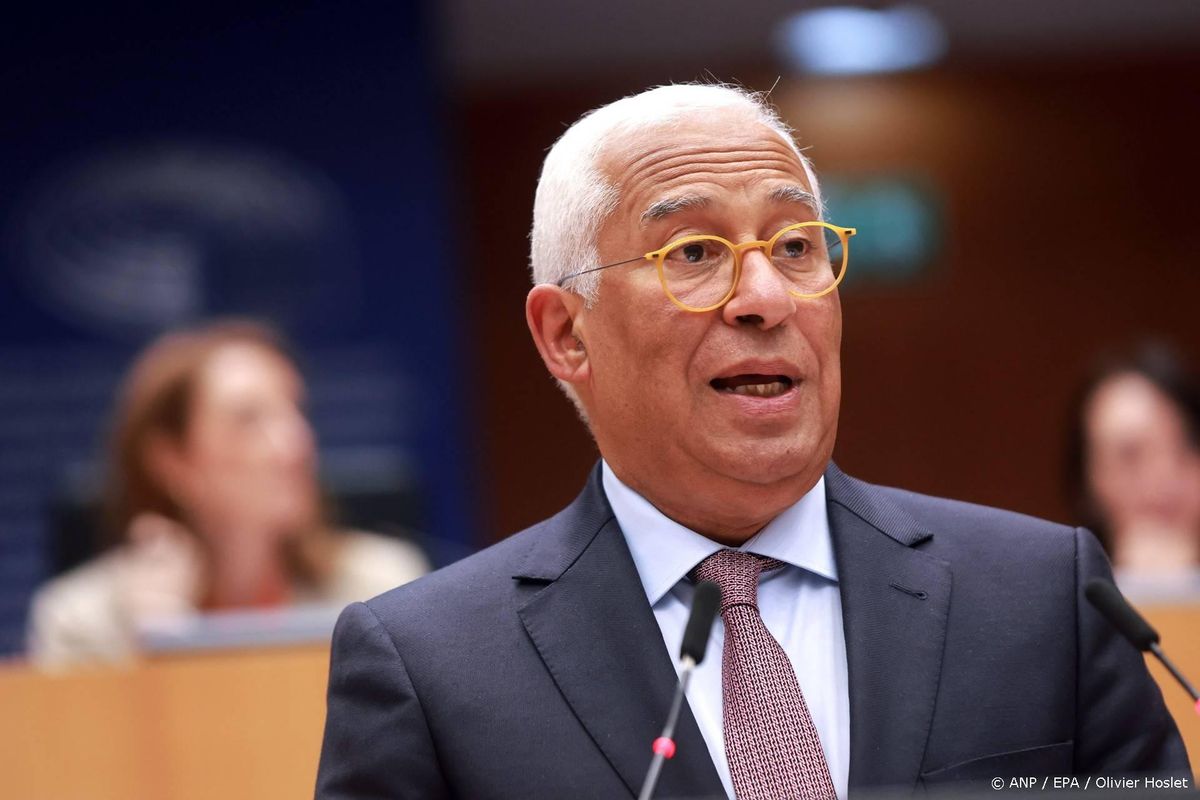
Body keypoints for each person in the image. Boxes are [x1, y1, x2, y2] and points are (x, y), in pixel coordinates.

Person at [316, 85, 1189, 798]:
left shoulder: (1044, 600)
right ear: (567, 336)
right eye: (694, 253)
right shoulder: (431, 671)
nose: (766, 297)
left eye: (796, 244)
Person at [27, 320, 429, 669]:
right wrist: (160, 647)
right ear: (173, 460)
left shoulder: (383, 588)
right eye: (249, 419)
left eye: (295, 411)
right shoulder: (83, 625)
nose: (296, 443)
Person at [1066, 341, 1200, 591]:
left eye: (1188, 445)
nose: (1164, 475)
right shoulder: (1056, 603)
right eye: (1131, 454)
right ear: (1087, 485)